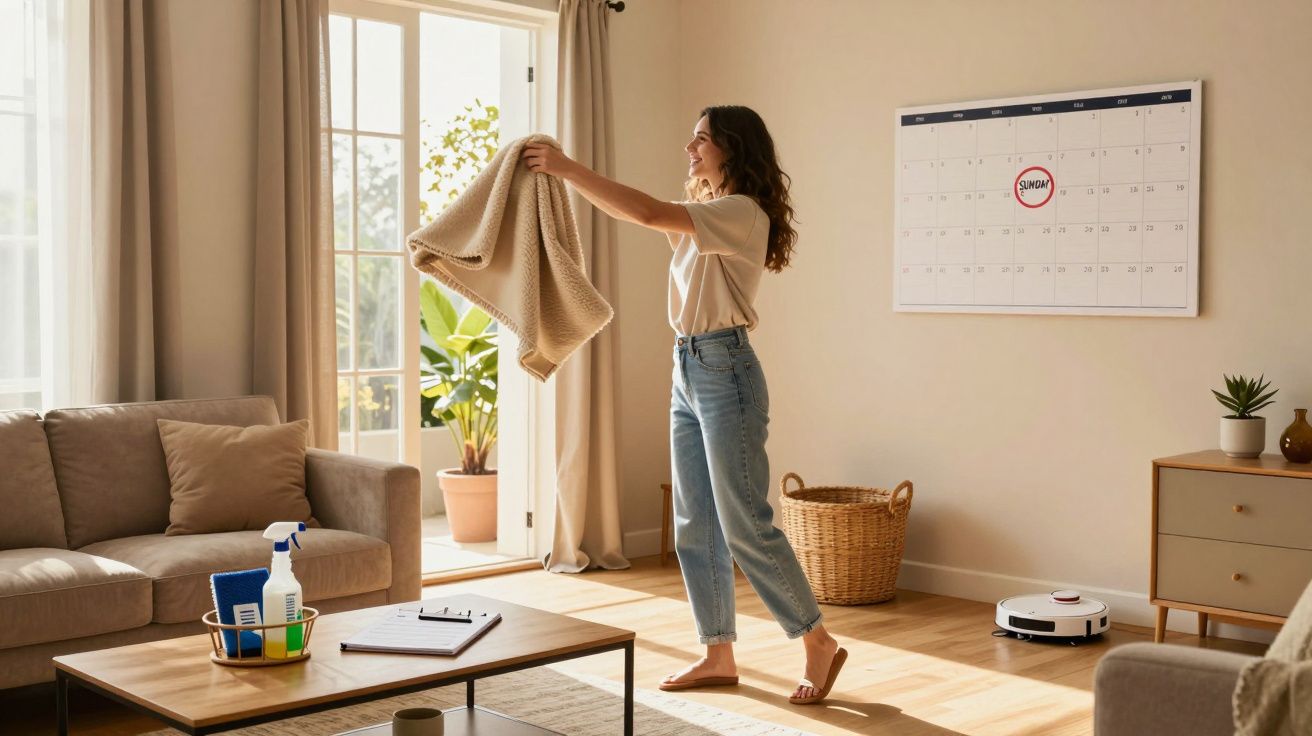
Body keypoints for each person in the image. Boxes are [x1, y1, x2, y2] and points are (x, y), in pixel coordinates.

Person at [521, 106, 847, 704]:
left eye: (701, 138)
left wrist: (568, 168)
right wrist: (562, 179)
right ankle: (717, 653)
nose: (689, 147)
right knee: (695, 524)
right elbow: (636, 213)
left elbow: (645, 210)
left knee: (745, 522)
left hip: (727, 372)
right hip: (689, 367)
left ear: (731, 147)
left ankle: (816, 640)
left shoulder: (741, 212)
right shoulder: (706, 216)